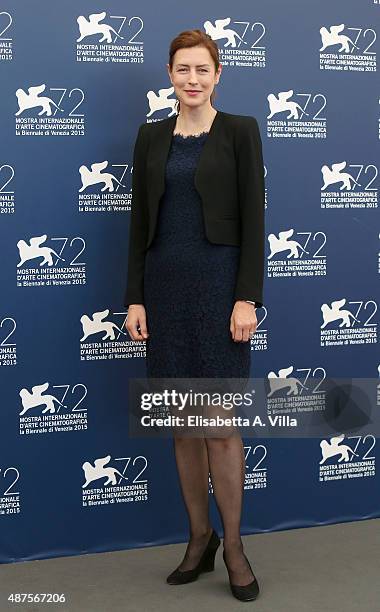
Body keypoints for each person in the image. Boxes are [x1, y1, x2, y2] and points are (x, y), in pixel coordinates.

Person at [124, 29, 265, 602]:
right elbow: (138, 223)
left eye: (202, 69)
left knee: (223, 429)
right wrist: (135, 297)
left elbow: (254, 217)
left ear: (218, 74)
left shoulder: (239, 131)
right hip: (165, 290)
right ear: (169, 73)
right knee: (182, 425)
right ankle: (198, 537)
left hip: (218, 291)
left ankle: (233, 546)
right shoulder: (151, 137)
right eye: (183, 69)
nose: (192, 79)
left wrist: (246, 297)